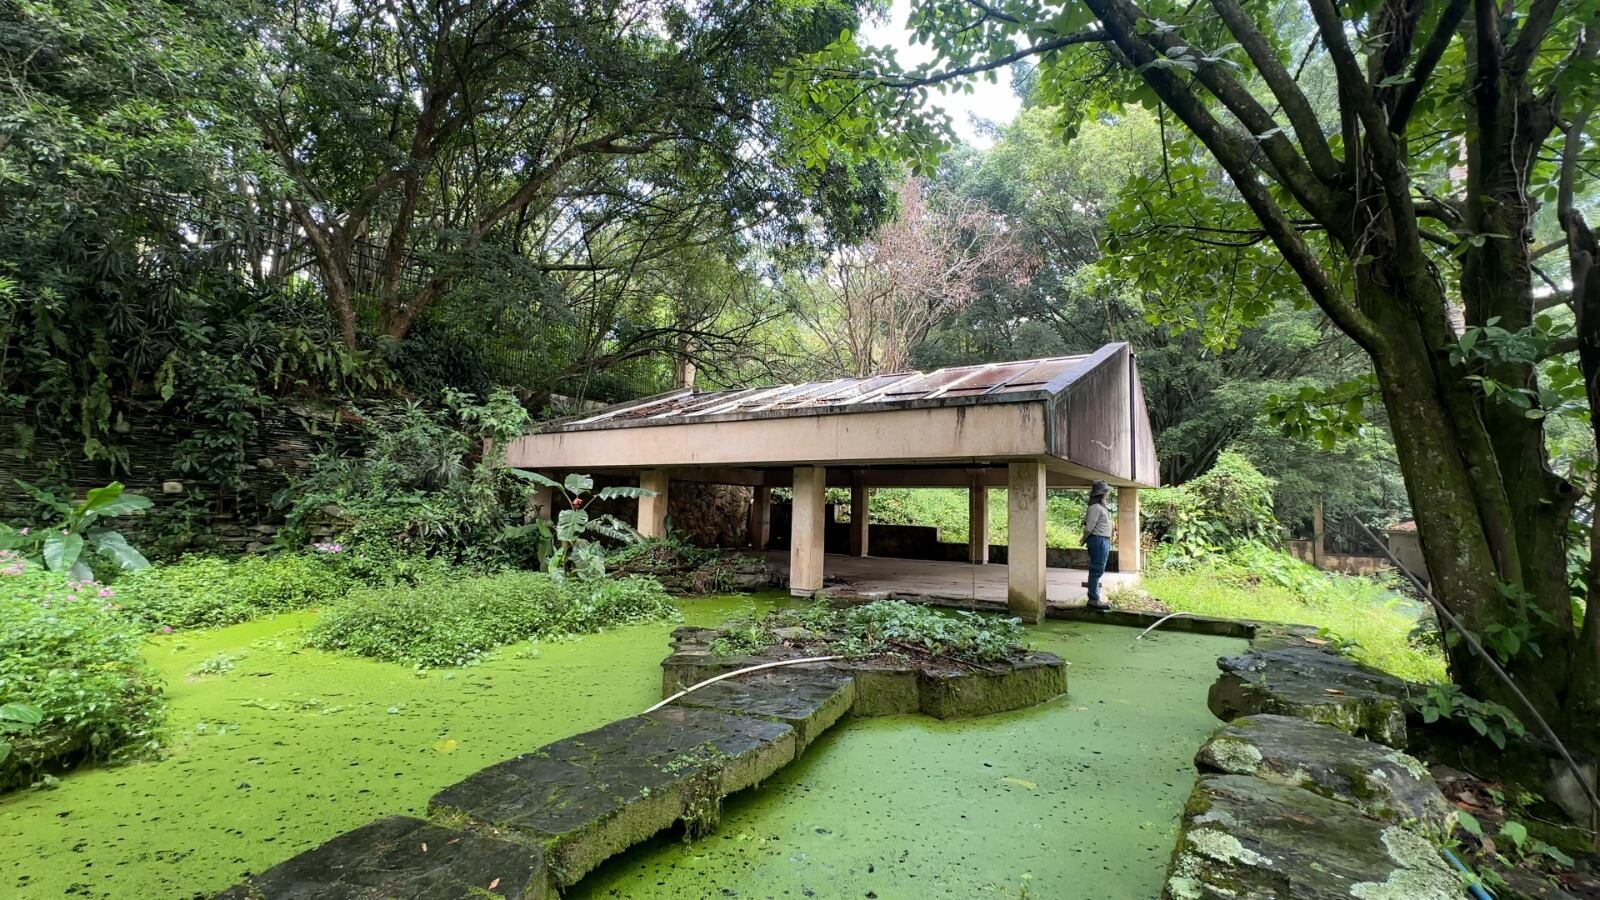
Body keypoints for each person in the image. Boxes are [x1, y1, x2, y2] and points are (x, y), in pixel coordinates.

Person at [1083, 480, 1113, 610]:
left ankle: (1094, 598)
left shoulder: (1100, 507)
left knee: (1098, 569)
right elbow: (1090, 527)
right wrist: (1084, 539)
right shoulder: (1095, 508)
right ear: (1101, 494)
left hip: (1102, 540)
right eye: (1106, 492)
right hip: (1098, 540)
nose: (1107, 495)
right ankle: (1094, 599)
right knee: (1096, 570)